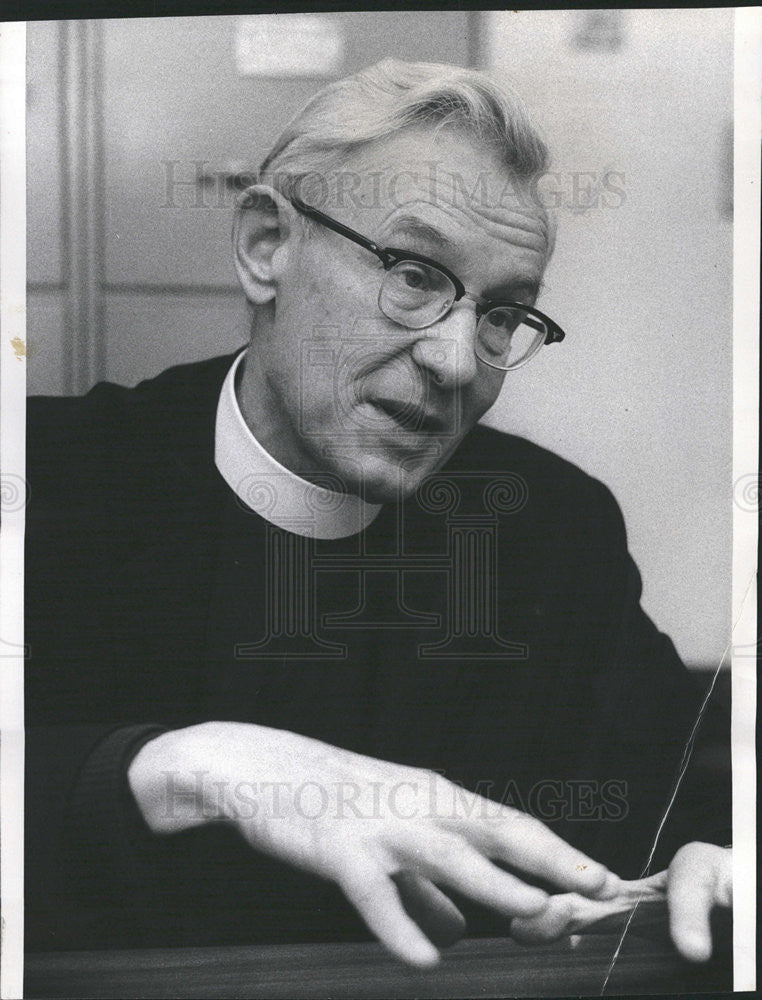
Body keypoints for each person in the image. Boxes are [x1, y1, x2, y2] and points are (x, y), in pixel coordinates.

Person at [25, 59, 731, 971]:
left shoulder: (553, 530)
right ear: (266, 244)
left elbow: (682, 799)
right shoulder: (49, 481)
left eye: (503, 315)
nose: (456, 361)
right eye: (412, 274)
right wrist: (183, 767)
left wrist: (711, 857)